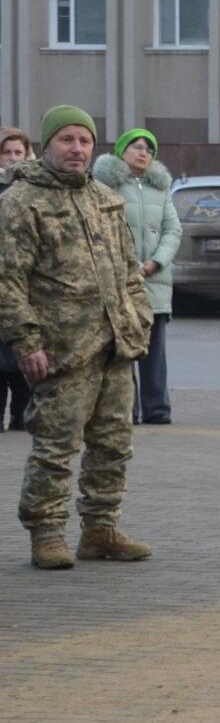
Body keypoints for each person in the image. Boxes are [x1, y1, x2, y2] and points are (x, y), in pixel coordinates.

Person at [0, 107, 157, 571]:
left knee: (113, 442)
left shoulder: (105, 198)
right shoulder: (20, 201)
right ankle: (46, 532)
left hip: (115, 344)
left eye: (84, 141)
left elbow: (130, 272)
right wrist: (26, 342)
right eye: (67, 140)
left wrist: (139, 317)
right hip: (61, 349)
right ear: (46, 145)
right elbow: (8, 280)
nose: (77, 149)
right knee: (55, 445)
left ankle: (100, 529)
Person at [95, 128, 181, 426]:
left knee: (154, 350)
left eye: (150, 149)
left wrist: (156, 261)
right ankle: (125, 410)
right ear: (122, 151)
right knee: (123, 348)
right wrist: (130, 264)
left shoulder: (160, 188)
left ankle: (157, 410)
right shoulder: (106, 187)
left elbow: (173, 230)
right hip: (119, 278)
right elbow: (103, 230)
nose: (143, 152)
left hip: (155, 280)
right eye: (137, 146)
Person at [0, 128, 35, 430]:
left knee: (22, 361)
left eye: (18, 152)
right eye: (6, 152)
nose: (12, 158)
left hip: (26, 287)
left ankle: (21, 416)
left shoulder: (34, 190)